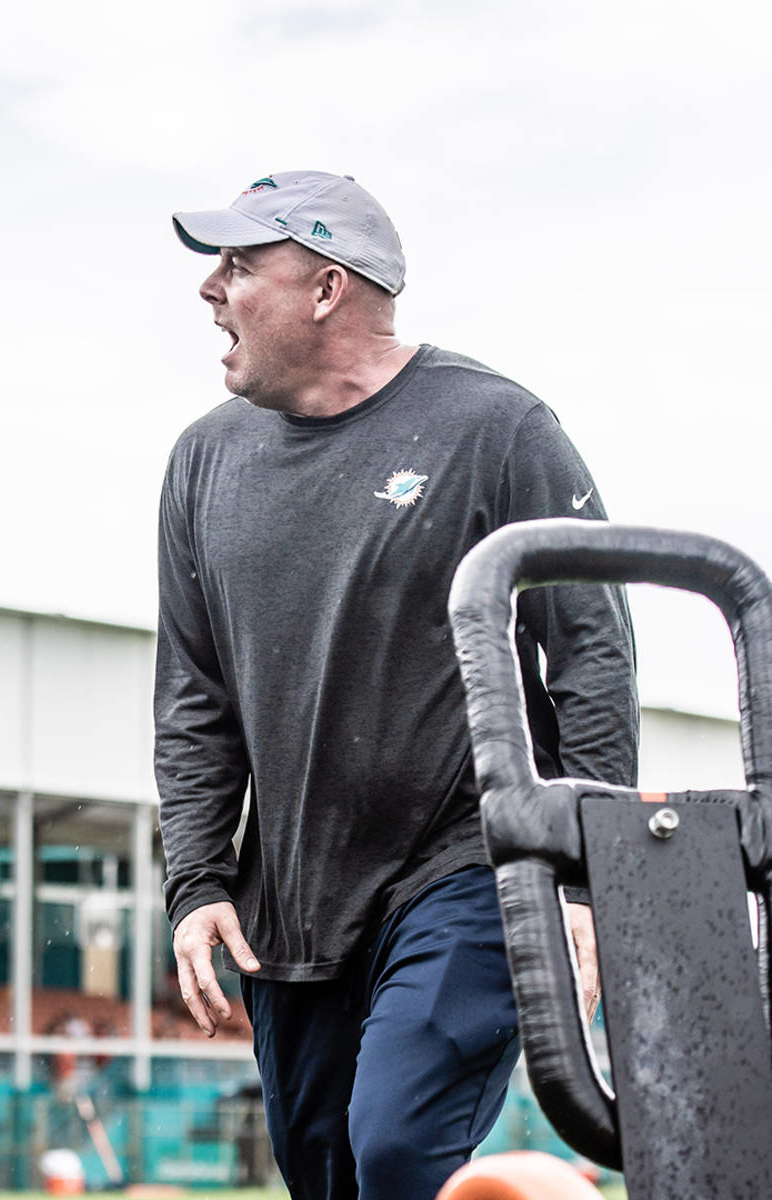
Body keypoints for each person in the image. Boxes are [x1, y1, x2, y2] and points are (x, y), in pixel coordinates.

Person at [155, 170, 638, 1200]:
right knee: (327, 1173)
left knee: (397, 1149)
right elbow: (195, 697)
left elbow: (591, 649)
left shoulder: (496, 428)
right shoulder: (202, 461)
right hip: (290, 901)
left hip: (468, 866)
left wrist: (587, 879)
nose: (211, 290)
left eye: (240, 265)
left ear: (327, 289)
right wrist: (196, 881)